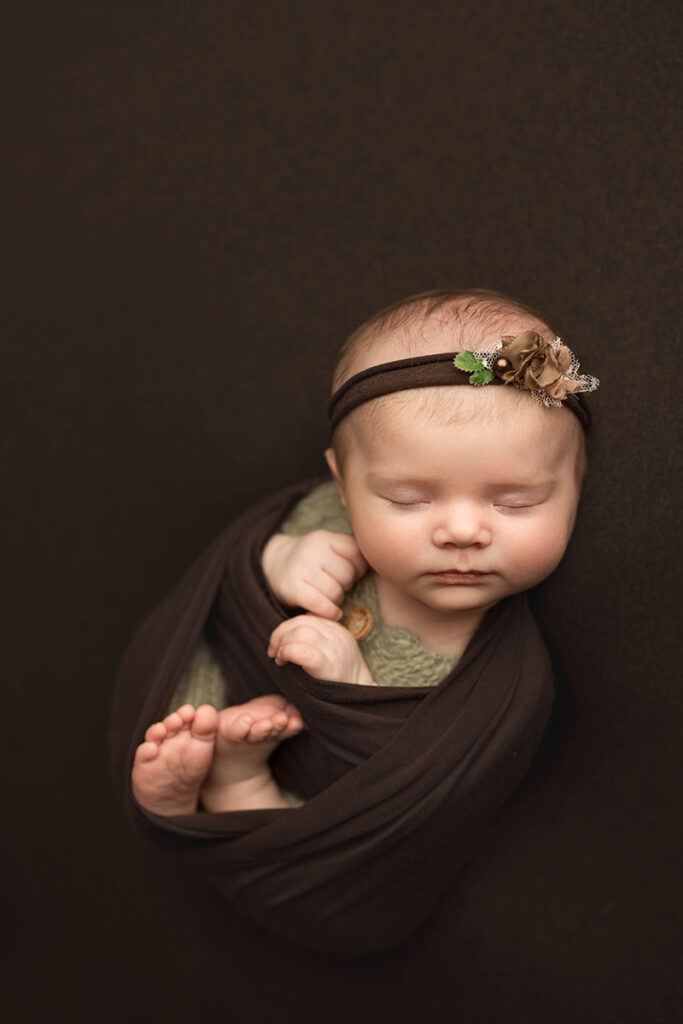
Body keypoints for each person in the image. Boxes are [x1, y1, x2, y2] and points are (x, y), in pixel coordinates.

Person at [130, 287, 598, 820]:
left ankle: (238, 791)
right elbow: (228, 578)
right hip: (236, 692)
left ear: (575, 489)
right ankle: (199, 753)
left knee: (335, 815)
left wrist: (351, 684)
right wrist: (276, 559)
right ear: (344, 487)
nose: (463, 531)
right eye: (409, 499)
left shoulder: (507, 682)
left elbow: (418, 783)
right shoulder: (323, 517)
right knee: (200, 658)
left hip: (321, 803)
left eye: (516, 503)